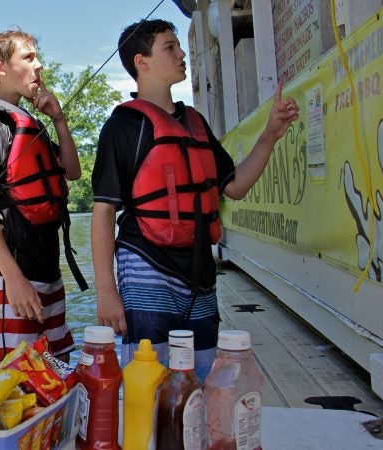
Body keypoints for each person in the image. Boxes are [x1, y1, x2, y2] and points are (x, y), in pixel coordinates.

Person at [91, 19, 299, 379]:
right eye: (170, 47)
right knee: (149, 382)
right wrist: (106, 292)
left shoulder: (195, 121)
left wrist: (269, 136)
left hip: (200, 274)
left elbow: (234, 187)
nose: (182, 53)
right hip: (146, 268)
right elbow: (104, 210)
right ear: (142, 62)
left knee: (200, 379)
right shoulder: (122, 127)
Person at [0, 30, 82, 362]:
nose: (39, 65)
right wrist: (12, 277)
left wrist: (58, 119)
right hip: (12, 274)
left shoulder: (29, 123)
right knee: (14, 375)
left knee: (56, 365)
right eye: (28, 58)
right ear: (0, 68)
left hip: (46, 267)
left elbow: (72, 171)